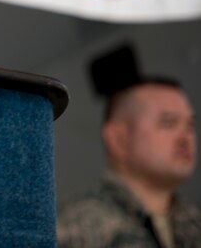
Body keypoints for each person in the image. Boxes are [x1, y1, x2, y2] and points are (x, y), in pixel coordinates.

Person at [57, 77, 201, 247]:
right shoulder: (78, 225)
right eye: (168, 122)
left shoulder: (194, 223)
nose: (186, 137)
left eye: (190, 125)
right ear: (119, 139)